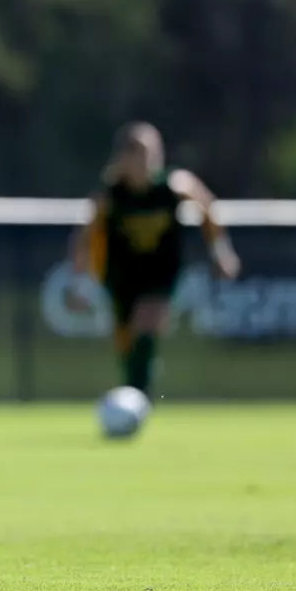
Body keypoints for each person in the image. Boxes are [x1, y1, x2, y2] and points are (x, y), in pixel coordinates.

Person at [71, 122, 239, 396]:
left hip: (161, 272)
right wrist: (78, 281)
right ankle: (135, 386)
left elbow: (207, 208)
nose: (147, 161)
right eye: (139, 153)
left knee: (149, 318)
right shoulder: (111, 193)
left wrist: (221, 251)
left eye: (152, 152)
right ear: (124, 157)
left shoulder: (174, 186)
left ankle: (139, 395)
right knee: (129, 342)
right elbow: (84, 235)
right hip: (122, 274)